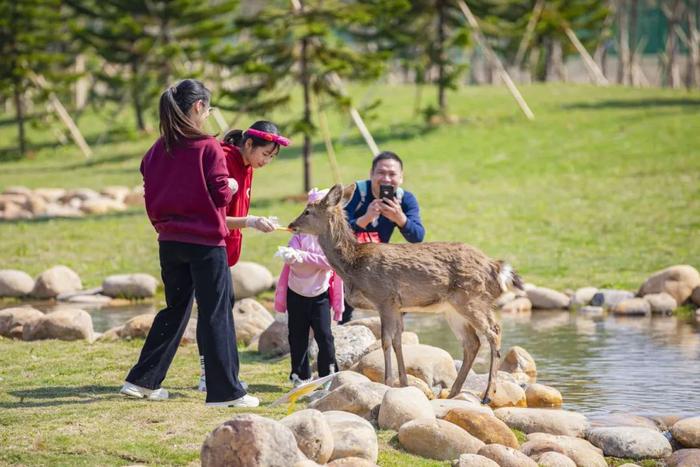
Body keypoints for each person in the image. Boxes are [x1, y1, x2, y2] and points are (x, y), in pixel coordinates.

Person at [119, 79, 258, 407]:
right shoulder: (208, 147)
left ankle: (142, 382)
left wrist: (164, 227)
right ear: (198, 108)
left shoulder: (155, 150)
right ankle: (226, 393)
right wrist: (234, 188)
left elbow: (151, 196)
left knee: (175, 310)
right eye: (208, 109)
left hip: (170, 243)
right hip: (206, 244)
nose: (208, 115)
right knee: (216, 313)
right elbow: (221, 194)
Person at [198, 121, 290, 392]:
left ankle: (220, 375)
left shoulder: (247, 166)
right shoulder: (224, 160)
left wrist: (253, 221)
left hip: (225, 251)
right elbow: (213, 217)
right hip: (209, 246)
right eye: (265, 154)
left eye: (272, 157)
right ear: (249, 144)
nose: (267, 161)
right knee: (213, 314)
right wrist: (250, 222)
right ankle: (211, 376)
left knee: (220, 311)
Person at [340, 151, 425, 324]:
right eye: (381, 173)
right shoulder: (357, 193)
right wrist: (365, 219)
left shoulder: (405, 199)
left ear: (401, 178)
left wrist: (400, 219)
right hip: (348, 261)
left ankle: (395, 329)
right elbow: (337, 231)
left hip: (377, 262)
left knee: (403, 283)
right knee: (343, 294)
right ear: (371, 174)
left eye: (392, 174)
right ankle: (342, 328)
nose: (386, 179)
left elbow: (417, 236)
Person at [273, 188, 343, 386]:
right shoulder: (299, 237)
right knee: (297, 336)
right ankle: (300, 375)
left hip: (319, 295)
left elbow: (330, 261)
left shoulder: (329, 239)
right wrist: (290, 255)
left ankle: (327, 374)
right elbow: (292, 253)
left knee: (324, 335)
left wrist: (303, 257)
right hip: (296, 293)